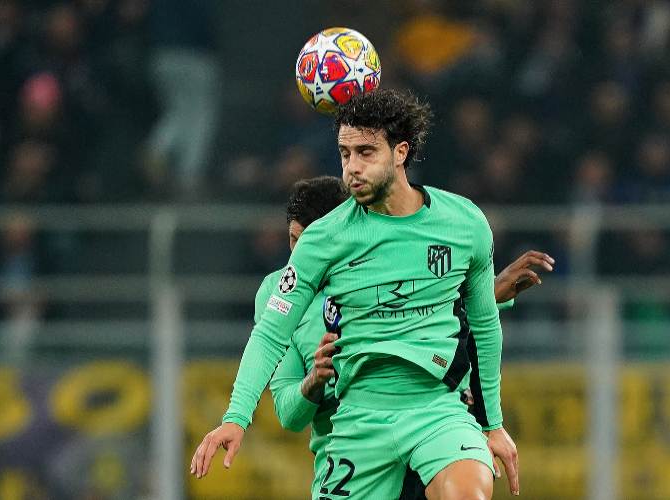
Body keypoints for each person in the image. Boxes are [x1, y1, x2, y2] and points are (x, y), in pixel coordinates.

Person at [191, 88, 519, 499]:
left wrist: (492, 424)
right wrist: (236, 417)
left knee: (467, 493)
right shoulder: (324, 238)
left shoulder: (464, 223)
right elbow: (271, 333)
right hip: (358, 419)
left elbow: (485, 327)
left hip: (437, 410)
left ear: (400, 152)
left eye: (366, 152)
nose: (352, 168)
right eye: (345, 154)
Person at [259, 176, 554, 498]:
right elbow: (289, 415)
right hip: (354, 456)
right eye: (294, 241)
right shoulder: (279, 294)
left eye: (314, 244)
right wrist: (314, 380)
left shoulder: (381, 268)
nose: (302, 259)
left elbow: (425, 320)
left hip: (425, 434)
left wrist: (482, 293)